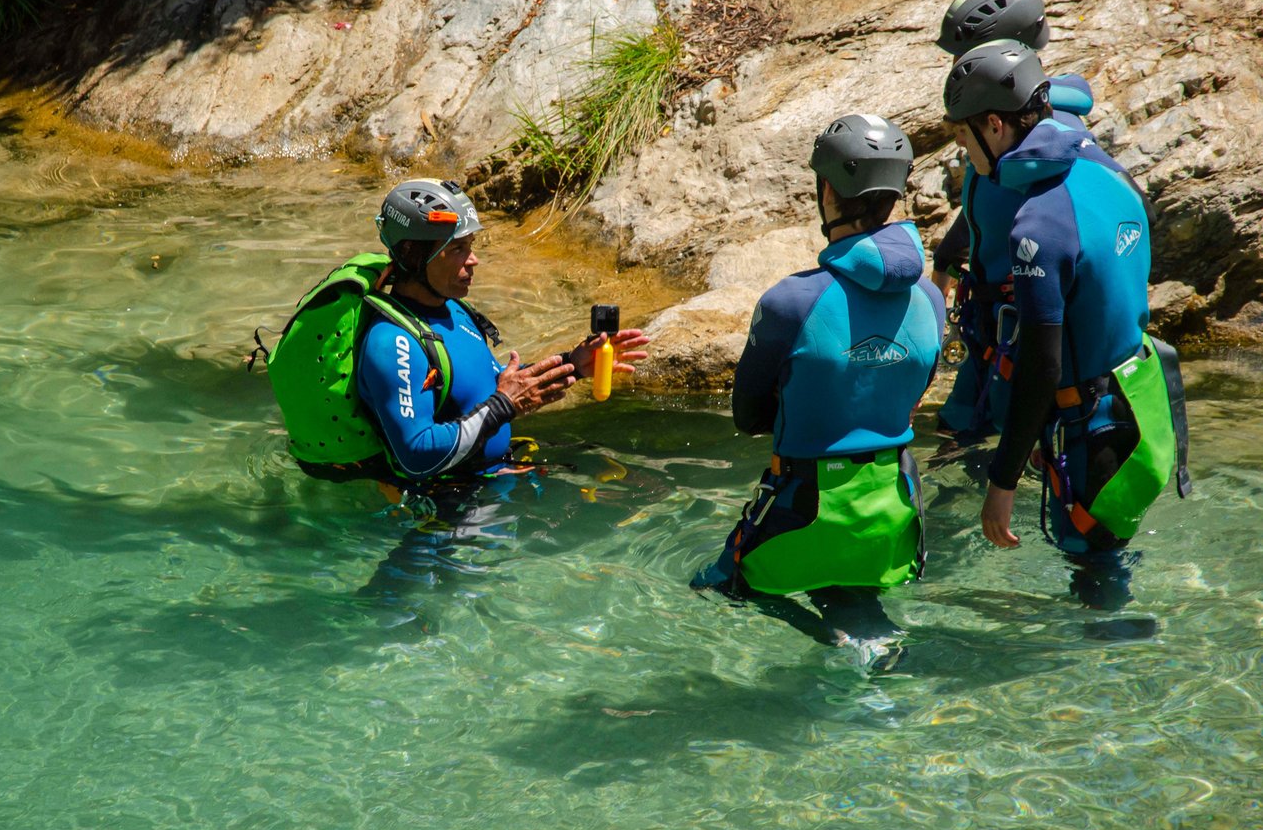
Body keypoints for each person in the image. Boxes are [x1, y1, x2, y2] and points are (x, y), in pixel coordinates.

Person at [941, 40, 1189, 611]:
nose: (965, 159)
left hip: (1096, 432)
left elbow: (1041, 365)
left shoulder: (1040, 222)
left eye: (963, 141)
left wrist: (1000, 486)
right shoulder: (1103, 170)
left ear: (996, 126)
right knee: (1108, 561)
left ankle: (1103, 693)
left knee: (1098, 587)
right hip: (1141, 398)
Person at [692, 115, 945, 663]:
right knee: (851, 594)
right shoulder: (930, 297)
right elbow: (916, 390)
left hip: (804, 510)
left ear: (826, 190)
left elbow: (748, 416)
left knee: (714, 587)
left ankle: (848, 641)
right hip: (894, 515)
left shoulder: (792, 302)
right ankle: (868, 642)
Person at [270, 178, 649, 486]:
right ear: (414, 255)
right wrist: (505, 405)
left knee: (635, 483)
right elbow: (417, 456)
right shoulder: (392, 343)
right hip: (452, 506)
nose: (474, 259)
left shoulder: (454, 310)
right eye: (457, 249)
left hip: (498, 470)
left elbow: (478, 386)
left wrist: (573, 364)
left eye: (471, 245)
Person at [931, 0, 1097, 440]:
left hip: (1022, 324)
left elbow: (1073, 217)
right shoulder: (994, 120)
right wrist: (947, 257)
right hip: (986, 322)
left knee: (1002, 449)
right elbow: (986, 203)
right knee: (956, 436)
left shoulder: (1044, 131)